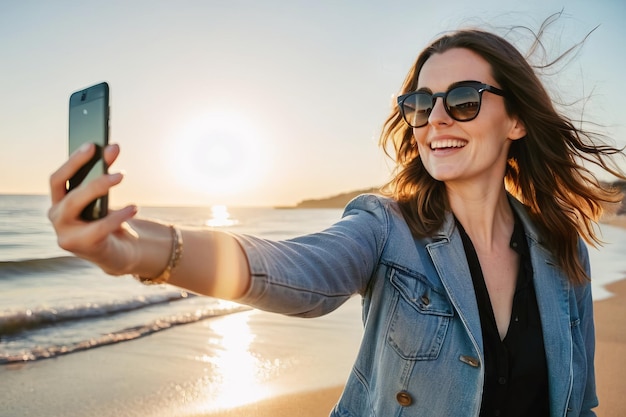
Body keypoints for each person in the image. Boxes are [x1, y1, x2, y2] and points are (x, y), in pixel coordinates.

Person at [49, 17, 626, 417]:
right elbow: (299, 271)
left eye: (465, 100)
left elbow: (578, 402)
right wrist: (134, 249)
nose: (436, 121)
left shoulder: (561, 249)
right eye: (420, 105)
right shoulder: (385, 226)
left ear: (517, 121)